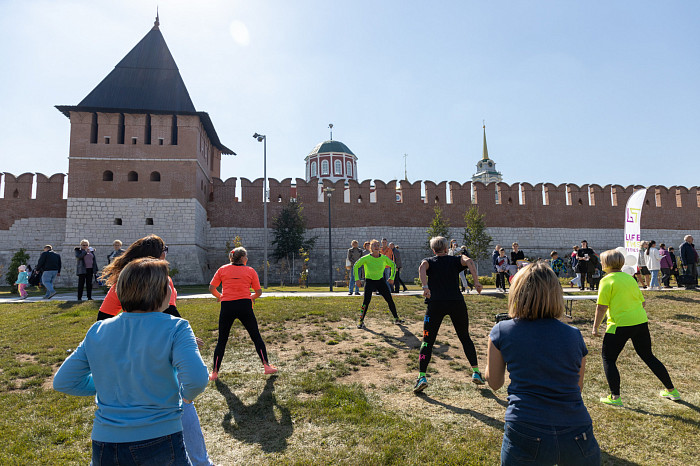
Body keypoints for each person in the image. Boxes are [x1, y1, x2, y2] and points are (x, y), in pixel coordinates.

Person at [53, 258, 209, 465]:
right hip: (161, 436)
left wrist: (111, 384)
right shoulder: (177, 328)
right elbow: (197, 379)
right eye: (168, 286)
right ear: (160, 292)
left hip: (105, 442)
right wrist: (186, 397)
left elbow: (64, 381)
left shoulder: (98, 330)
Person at [97, 235, 215, 466]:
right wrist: (184, 337)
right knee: (183, 403)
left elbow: (101, 320)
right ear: (158, 255)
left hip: (128, 355)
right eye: (166, 250)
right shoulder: (162, 279)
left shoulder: (122, 281)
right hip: (160, 349)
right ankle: (200, 462)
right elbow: (170, 312)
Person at [485, 261, 600, 466]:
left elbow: (494, 383)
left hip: (525, 426)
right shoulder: (574, 335)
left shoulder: (502, 330)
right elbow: (577, 387)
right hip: (577, 429)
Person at [592, 250, 680, 406]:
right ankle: (672, 390)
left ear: (606, 263)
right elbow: (643, 302)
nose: (600, 263)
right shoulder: (630, 278)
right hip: (640, 322)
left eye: (602, 260)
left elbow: (601, 307)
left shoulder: (606, 280)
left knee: (608, 359)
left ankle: (615, 398)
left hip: (619, 324)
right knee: (648, 356)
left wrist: (595, 328)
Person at [413, 236, 485, 393]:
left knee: (427, 341)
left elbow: (421, 268)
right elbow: (470, 261)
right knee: (465, 337)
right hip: (456, 303)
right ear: (447, 249)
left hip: (435, 304)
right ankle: (476, 372)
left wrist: (425, 287)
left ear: (433, 250)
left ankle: (422, 376)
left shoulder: (429, 261)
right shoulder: (455, 260)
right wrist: (476, 281)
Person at [209, 247, 277, 380]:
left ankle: (214, 373)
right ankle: (267, 366)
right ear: (241, 258)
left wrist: (221, 296)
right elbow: (258, 292)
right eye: (246, 256)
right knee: (256, 336)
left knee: (222, 340)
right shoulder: (250, 270)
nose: (247, 259)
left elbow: (212, 288)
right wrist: (250, 297)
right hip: (245, 306)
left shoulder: (222, 269)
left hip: (227, 306)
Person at [353, 239, 404, 328]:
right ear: (370, 248)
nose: (376, 247)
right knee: (366, 302)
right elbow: (355, 266)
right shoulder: (366, 258)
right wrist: (357, 279)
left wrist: (391, 277)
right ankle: (360, 321)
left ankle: (396, 319)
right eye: (374, 245)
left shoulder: (383, 258)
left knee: (389, 300)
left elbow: (393, 265)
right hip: (369, 281)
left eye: (378, 245)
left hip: (380, 281)